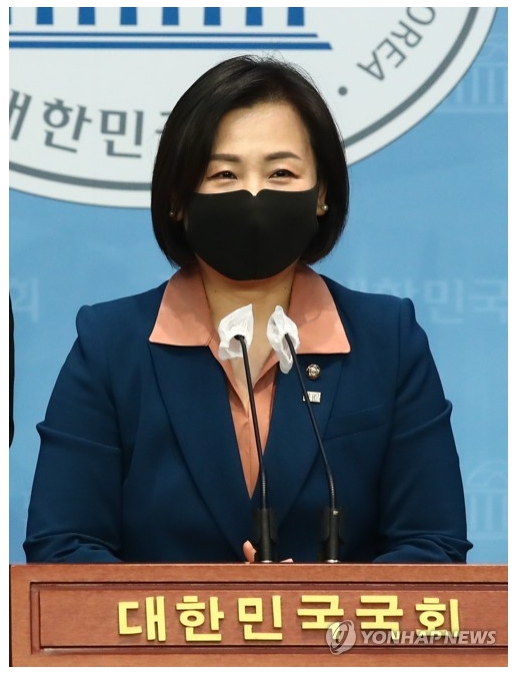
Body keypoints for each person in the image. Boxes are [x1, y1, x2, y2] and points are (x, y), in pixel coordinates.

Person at [23, 54, 472, 564]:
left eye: (281, 172)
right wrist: (215, 605)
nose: (254, 194)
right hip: (167, 620)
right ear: (178, 198)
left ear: (321, 193)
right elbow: (63, 547)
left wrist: (313, 606)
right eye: (224, 174)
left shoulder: (387, 341)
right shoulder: (110, 345)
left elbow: (432, 544)